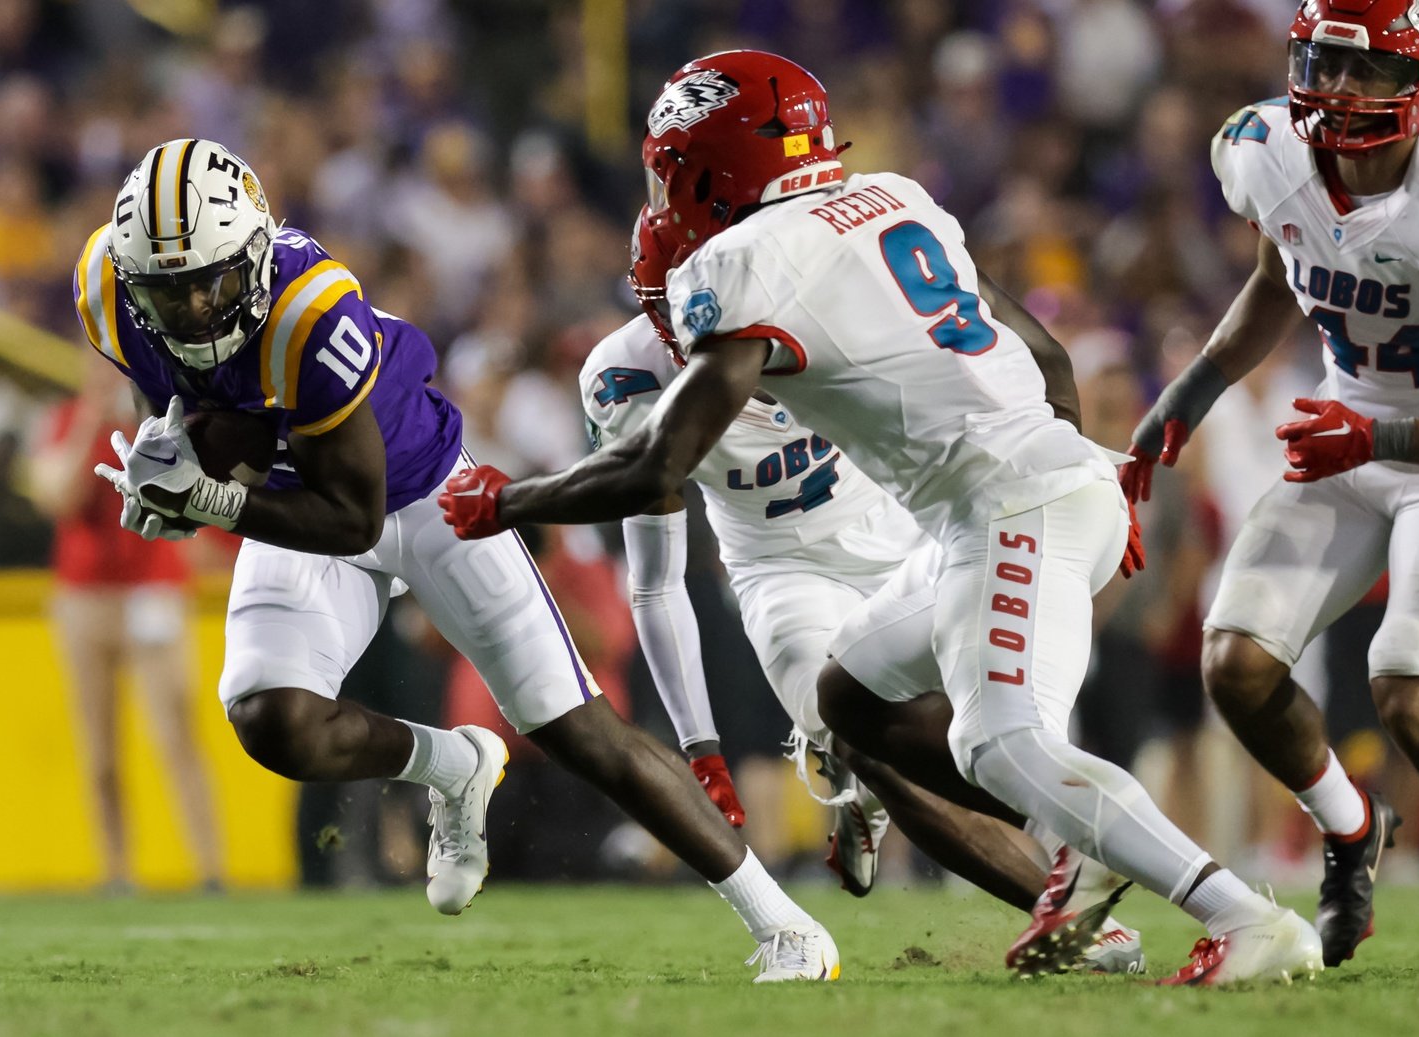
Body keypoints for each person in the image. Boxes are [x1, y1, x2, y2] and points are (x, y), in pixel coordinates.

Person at [439, 50, 1321, 985]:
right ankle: (1078, 840)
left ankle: (1242, 914)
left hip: (1002, 506)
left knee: (1005, 743)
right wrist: (1086, 473)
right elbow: (1048, 354)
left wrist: (506, 500)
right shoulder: (890, 196)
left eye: (670, 170)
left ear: (714, 166)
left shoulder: (738, 263)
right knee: (848, 698)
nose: (661, 198)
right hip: (1007, 497)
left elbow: (658, 463)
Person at [78, 138, 837, 982]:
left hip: (420, 496)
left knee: (580, 727)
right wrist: (168, 470)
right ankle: (453, 763)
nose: (187, 309)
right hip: (301, 499)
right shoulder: (107, 290)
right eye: (166, 291)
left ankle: (785, 924)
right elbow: (184, 408)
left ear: (254, 255)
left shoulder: (310, 308)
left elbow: (353, 516)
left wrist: (210, 501)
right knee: (271, 718)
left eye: (206, 283)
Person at [584, 210, 1145, 972]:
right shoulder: (626, 378)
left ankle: (874, 795)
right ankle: (1078, 921)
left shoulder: (821, 290)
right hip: (783, 575)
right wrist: (699, 745)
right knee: (866, 738)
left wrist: (1075, 478)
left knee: (991, 725)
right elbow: (654, 580)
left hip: (911, 536)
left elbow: (1012, 364)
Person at [1122, 0, 1419, 969]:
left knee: (1407, 689)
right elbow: (1280, 270)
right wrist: (1192, 386)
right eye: (1325, 64)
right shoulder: (1265, 148)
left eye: (1369, 72)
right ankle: (1350, 830)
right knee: (1236, 662)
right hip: (1346, 431)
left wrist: (1375, 432)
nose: (1340, 93)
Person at [31, 360, 225, 892]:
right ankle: (116, 871)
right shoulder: (66, 419)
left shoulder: (159, 425)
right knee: (99, 751)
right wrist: (92, 420)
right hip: (85, 599)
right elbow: (59, 497)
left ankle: (211, 869)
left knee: (177, 734)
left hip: (152, 590)